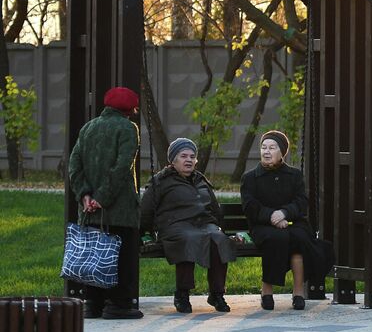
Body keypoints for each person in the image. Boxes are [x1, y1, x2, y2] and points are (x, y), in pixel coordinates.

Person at [68, 86, 144, 320]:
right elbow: (122, 168)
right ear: (129, 109)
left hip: (89, 209)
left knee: (93, 251)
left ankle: (92, 303)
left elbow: (74, 165)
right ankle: (118, 305)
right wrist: (102, 197)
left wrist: (85, 195)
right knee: (122, 255)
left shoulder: (88, 128)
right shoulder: (128, 128)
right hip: (119, 209)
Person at [139, 138, 235, 314]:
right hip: (175, 226)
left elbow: (215, 208)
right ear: (173, 160)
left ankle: (217, 294)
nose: (189, 160)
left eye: (192, 156)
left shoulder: (200, 180)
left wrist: (216, 226)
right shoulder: (161, 181)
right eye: (183, 156)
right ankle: (182, 294)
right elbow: (145, 210)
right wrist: (146, 233)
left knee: (219, 240)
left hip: (204, 225)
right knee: (189, 239)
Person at [240, 130, 333, 310]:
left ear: (282, 152)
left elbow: (301, 202)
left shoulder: (294, 175)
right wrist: (271, 217)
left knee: (300, 238)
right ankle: (267, 291)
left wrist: (284, 213)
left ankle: (298, 292)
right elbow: (250, 206)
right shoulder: (250, 177)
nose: (266, 152)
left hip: (292, 222)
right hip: (262, 225)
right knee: (276, 238)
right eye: (263, 147)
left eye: (272, 148)